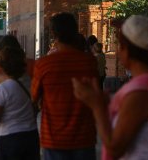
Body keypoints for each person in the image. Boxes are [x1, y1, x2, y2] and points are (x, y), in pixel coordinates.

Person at [72, 14, 148, 160]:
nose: (118, 51)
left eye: (119, 46)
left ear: (126, 50)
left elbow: (114, 147)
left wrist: (97, 105)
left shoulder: (141, 94)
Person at [31, 12, 99, 160]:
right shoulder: (89, 63)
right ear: (75, 32)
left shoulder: (44, 65)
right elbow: (96, 95)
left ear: (54, 33)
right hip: (84, 137)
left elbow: (34, 98)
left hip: (54, 139)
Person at [0, 46, 40, 160]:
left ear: (3, 67)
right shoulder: (29, 82)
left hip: (10, 139)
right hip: (31, 136)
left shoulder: (2, 88)